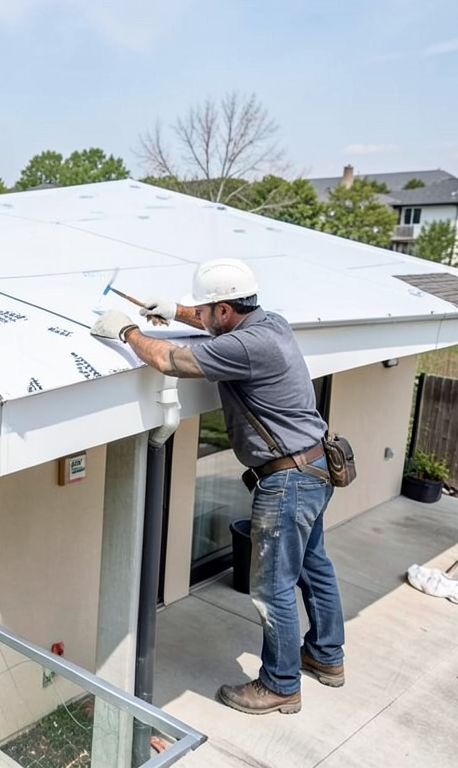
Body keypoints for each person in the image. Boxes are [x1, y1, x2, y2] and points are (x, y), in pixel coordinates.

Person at [91, 257, 345, 716]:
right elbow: (214, 325)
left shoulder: (244, 347)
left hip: (287, 482)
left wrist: (127, 331)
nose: (202, 316)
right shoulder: (271, 323)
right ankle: (326, 656)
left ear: (224, 311)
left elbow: (168, 359)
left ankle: (281, 685)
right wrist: (175, 311)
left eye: (205, 310)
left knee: (273, 589)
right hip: (316, 467)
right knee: (314, 568)